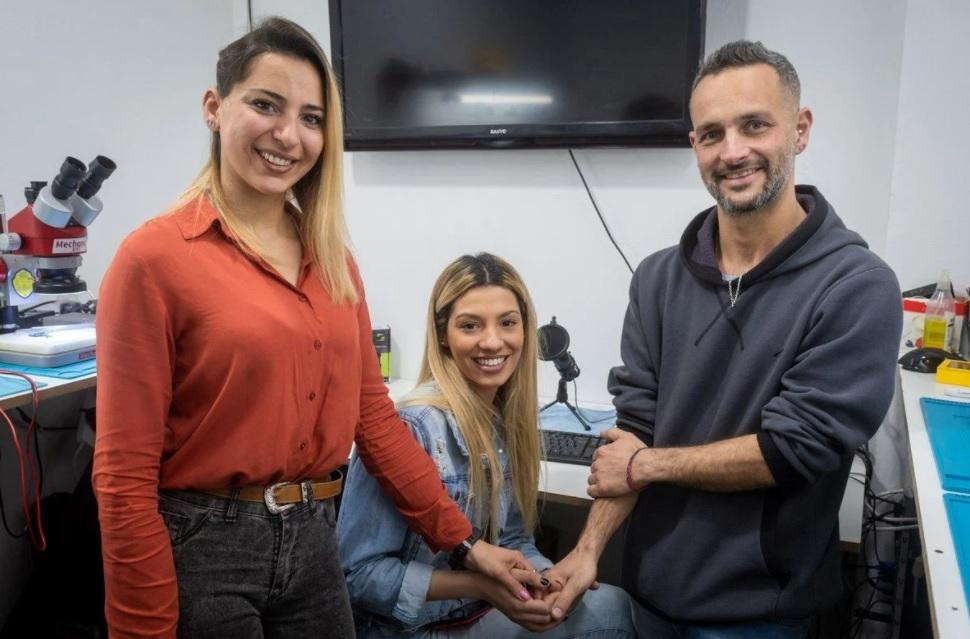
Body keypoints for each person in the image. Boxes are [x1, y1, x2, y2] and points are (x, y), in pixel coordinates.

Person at [93, 18, 535, 639]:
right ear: (215, 108)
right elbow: (123, 478)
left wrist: (464, 544)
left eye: (310, 117)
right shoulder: (154, 259)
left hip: (313, 538)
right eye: (265, 105)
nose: (287, 135)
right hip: (204, 545)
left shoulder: (330, 260)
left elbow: (372, 419)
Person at [544, 40, 903, 638]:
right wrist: (586, 551)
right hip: (648, 593)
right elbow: (634, 428)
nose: (733, 151)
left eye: (754, 125)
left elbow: (794, 448)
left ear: (800, 129)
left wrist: (645, 466)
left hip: (759, 612)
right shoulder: (658, 277)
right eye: (711, 134)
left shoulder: (856, 286)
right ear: (694, 147)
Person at [337, 253, 636, 638]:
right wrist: (481, 586)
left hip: (471, 613)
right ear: (443, 334)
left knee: (612, 608)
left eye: (508, 323)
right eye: (470, 326)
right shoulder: (414, 427)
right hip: (411, 629)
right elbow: (357, 576)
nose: (492, 341)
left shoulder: (503, 419)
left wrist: (546, 583)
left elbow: (511, 540)